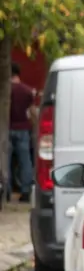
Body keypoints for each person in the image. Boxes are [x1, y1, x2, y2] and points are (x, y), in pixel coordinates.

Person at [9, 64, 35, 203]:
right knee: (25, 161)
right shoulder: (27, 91)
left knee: (5, 161)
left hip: (7, 129)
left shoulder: (5, 90)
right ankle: (25, 192)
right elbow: (32, 112)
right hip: (23, 129)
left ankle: (5, 192)